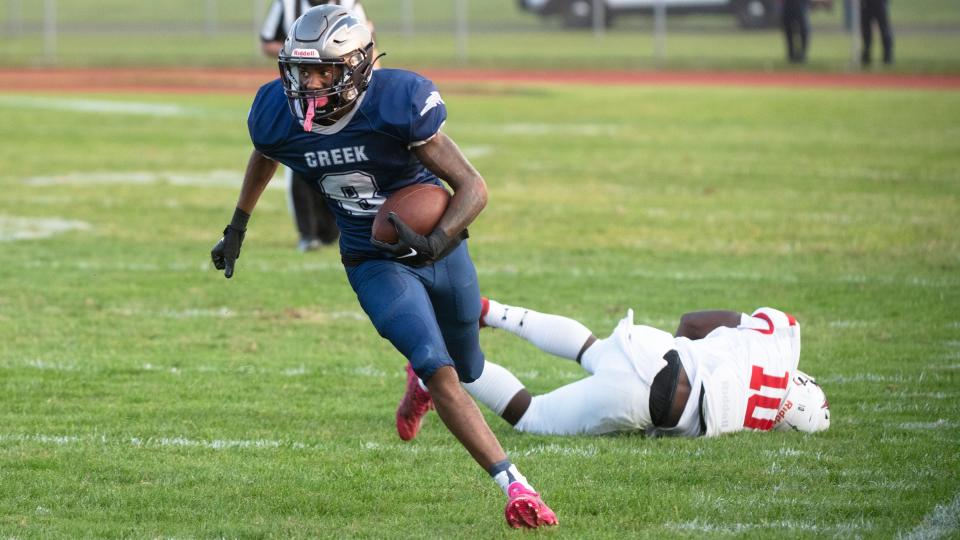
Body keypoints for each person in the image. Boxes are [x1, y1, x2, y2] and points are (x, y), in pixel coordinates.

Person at [211, 5, 557, 529]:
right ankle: (516, 486)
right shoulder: (277, 112)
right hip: (371, 260)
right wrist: (238, 225)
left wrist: (435, 242)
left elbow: (473, 188)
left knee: (466, 367)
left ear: (355, 67)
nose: (309, 82)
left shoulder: (399, 103)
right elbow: (265, 152)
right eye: (301, 70)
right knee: (436, 366)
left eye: (323, 70)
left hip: (436, 247)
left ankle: (420, 385)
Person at [401, 297, 830, 439]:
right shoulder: (755, 424)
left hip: (653, 347)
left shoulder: (782, 339)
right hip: (658, 397)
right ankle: (437, 370)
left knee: (591, 349)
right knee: (533, 416)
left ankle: (489, 311)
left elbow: (693, 323)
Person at [260, 0, 379, 251]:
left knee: (341, 156)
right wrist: (303, 51)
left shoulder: (348, 4)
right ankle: (307, 233)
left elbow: (367, 47)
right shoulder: (287, 4)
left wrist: (375, 86)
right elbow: (267, 43)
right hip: (302, 90)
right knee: (299, 157)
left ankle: (336, 226)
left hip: (342, 91)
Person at [860, 0, 894, 66]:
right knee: (866, 31)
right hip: (866, 3)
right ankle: (866, 55)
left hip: (879, 2)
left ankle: (888, 56)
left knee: (884, 29)